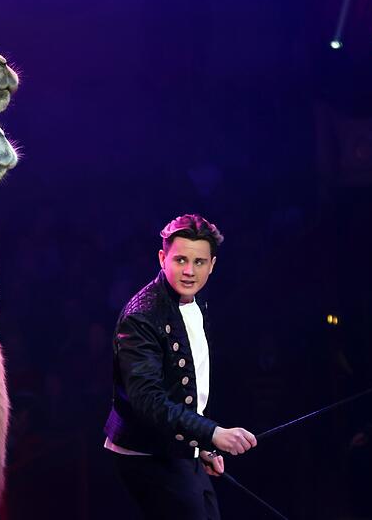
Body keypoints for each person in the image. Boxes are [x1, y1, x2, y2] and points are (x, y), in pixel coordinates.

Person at [103, 214, 256, 519]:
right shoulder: (142, 316)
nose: (189, 271)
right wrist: (211, 433)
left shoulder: (197, 300)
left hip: (180, 447)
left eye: (199, 263)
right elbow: (148, 400)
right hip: (148, 453)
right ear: (163, 258)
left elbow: (189, 383)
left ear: (212, 265)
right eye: (180, 260)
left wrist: (201, 446)